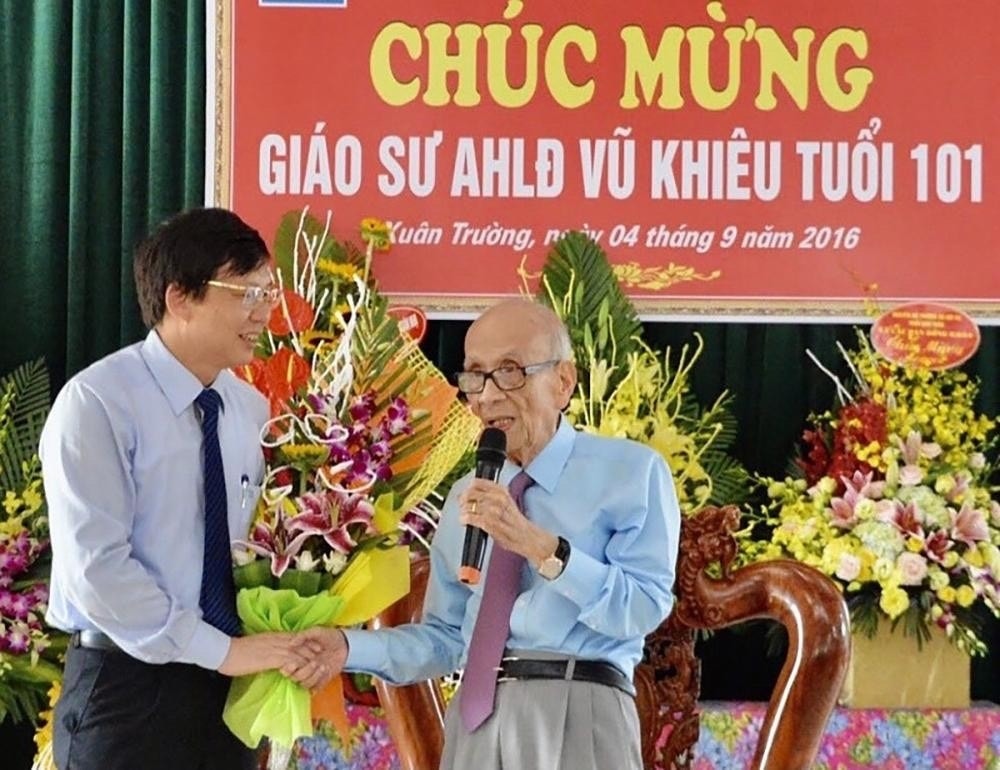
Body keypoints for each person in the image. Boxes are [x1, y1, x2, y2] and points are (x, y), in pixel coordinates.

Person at [292, 298, 681, 770]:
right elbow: (447, 639)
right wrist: (348, 647)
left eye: (511, 371)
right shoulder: (468, 493)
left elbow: (641, 609)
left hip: (580, 707)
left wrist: (542, 548)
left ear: (563, 382)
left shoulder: (632, 473)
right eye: (475, 375)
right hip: (477, 718)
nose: (488, 395)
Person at [40, 208, 315, 769]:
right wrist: (222, 651)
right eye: (245, 293)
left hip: (227, 690)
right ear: (179, 298)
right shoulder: (97, 404)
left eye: (268, 292)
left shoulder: (248, 408)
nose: (263, 312)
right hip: (127, 689)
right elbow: (99, 571)